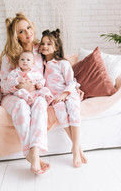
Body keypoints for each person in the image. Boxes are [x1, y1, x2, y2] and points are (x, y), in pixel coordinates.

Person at [0, 13, 50, 174]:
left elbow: (57, 69)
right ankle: (30, 154)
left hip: (36, 94)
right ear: (16, 36)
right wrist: (19, 85)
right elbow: (3, 86)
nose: (27, 33)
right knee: (21, 106)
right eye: (21, 31)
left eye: (28, 27)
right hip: (13, 96)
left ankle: (34, 152)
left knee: (41, 104)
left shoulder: (41, 49)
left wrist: (72, 87)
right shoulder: (9, 56)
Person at [39, 29, 87, 167]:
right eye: (42, 43)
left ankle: (75, 149)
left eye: (49, 44)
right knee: (59, 110)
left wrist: (65, 94)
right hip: (54, 97)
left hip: (68, 93)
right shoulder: (40, 65)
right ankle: (77, 148)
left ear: (56, 47)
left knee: (72, 108)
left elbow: (71, 82)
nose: (45, 46)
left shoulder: (62, 63)